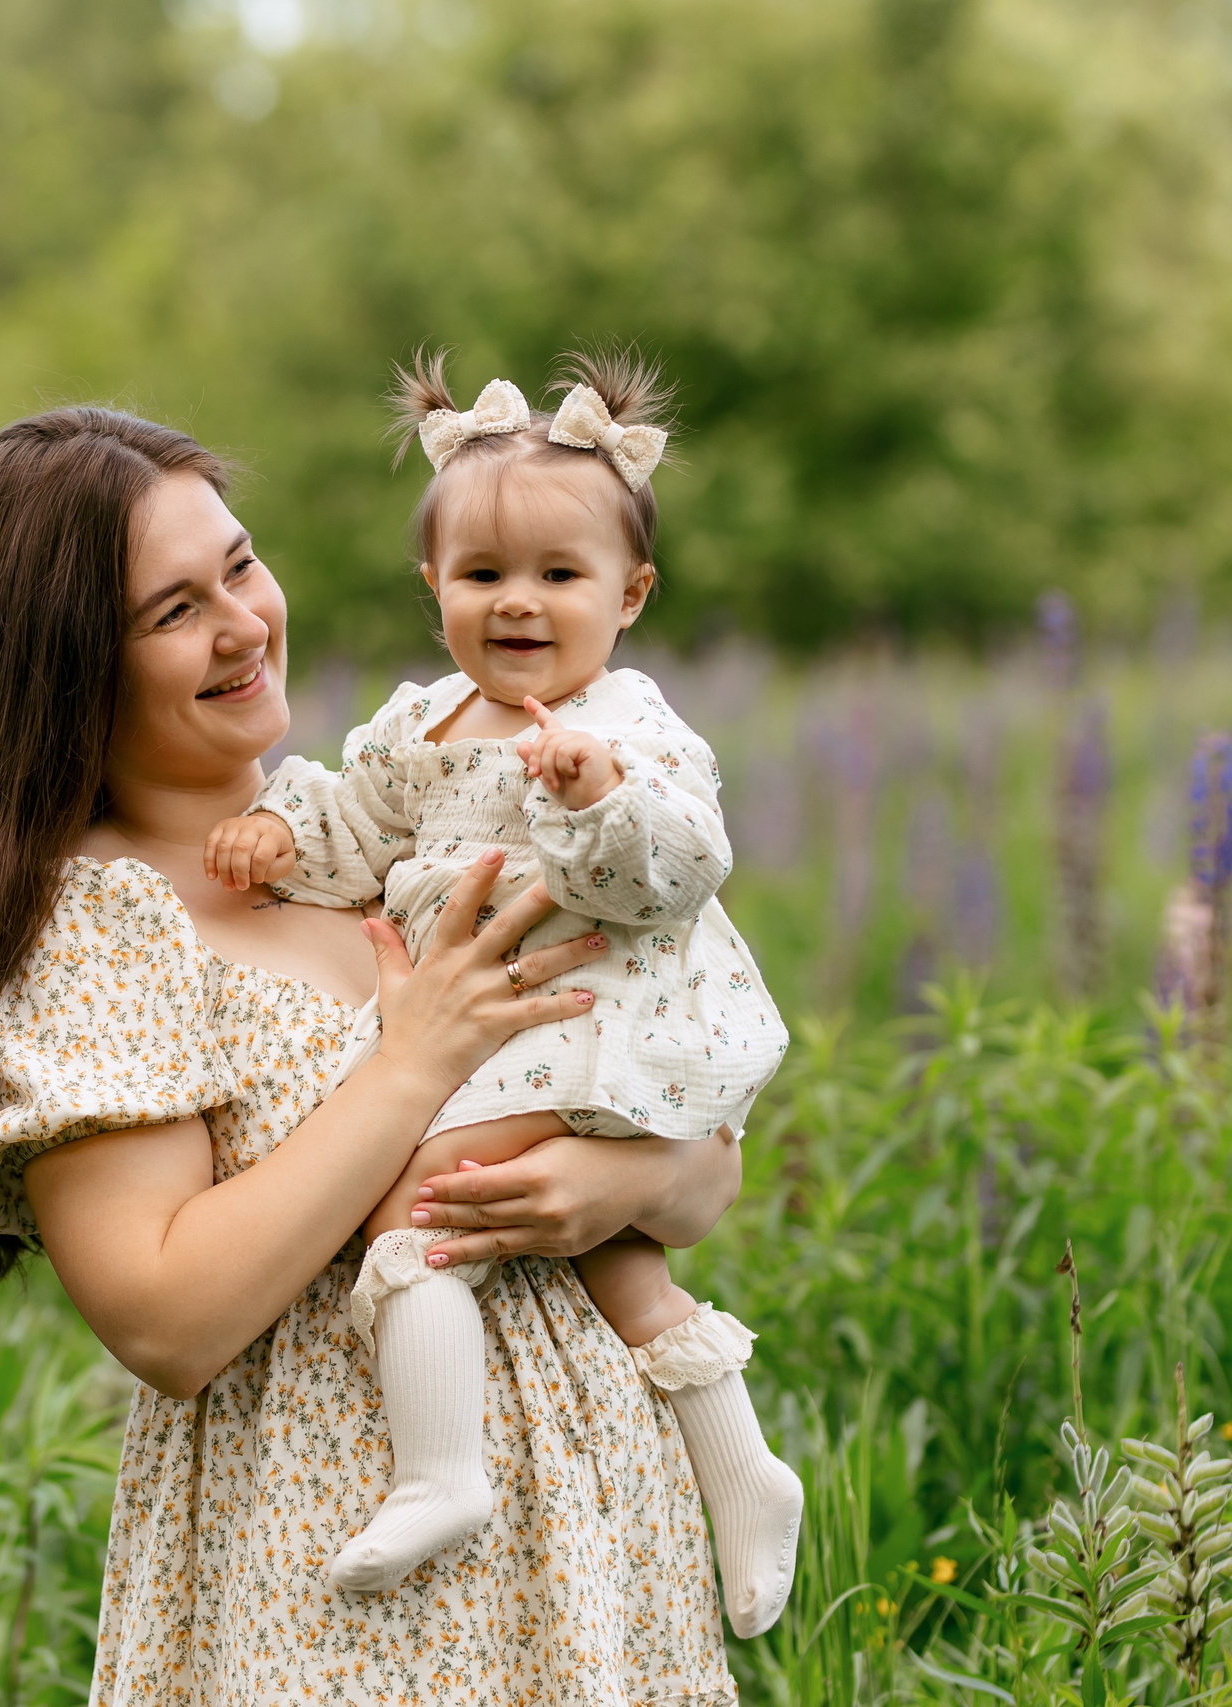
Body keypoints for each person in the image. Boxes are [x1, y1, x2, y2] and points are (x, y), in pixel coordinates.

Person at [0, 403, 751, 1703]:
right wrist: (411, 1068)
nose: (243, 622)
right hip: (334, 1589)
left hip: (591, 1542)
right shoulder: (100, 926)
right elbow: (165, 1315)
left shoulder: (370, 835)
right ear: (58, 665)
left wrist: (616, 1193)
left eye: (241, 563)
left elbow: (700, 1160)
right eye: (171, 611)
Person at [201, 351, 800, 1632]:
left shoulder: (629, 729)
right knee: (622, 1274)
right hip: (504, 1034)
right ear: (432, 586)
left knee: (420, 1209)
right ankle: (745, 1474)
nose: (517, 603)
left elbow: (685, 867)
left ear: (630, 594)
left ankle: (440, 1471)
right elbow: (359, 833)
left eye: (558, 576)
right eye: (482, 574)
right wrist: (279, 840)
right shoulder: (420, 727)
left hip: (589, 1021)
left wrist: (596, 795)